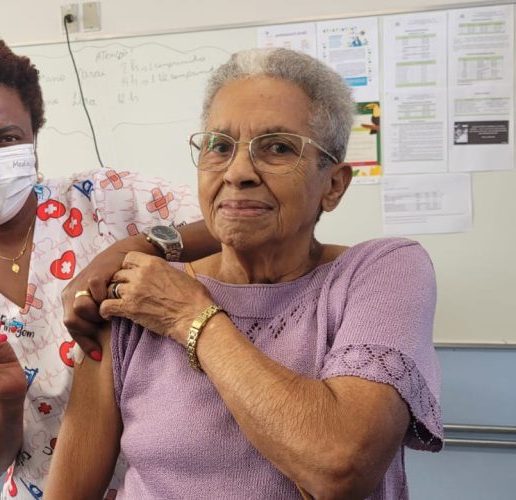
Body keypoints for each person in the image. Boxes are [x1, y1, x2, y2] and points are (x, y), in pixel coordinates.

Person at [47, 47, 442, 499]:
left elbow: (340, 466)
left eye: (277, 148)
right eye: (219, 146)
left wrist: (190, 318)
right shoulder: (136, 298)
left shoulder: (379, 272)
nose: (237, 172)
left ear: (333, 185)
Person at [0, 35, 218, 499]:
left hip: (172, 485)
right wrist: (5, 404)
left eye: (6, 138)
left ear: (33, 142)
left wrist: (143, 242)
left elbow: (237, 221)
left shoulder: (109, 200)